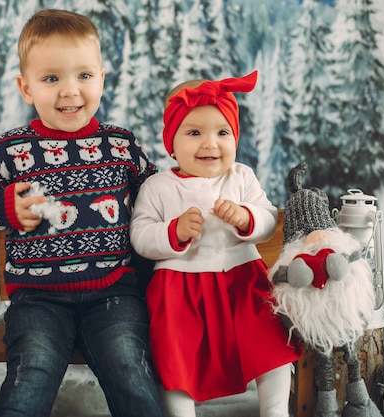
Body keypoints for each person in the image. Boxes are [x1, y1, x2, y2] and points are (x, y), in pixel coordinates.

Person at [0, 9, 165, 417]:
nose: (70, 91)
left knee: (131, 367)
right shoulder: (12, 150)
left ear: (102, 79)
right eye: (51, 78)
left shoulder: (120, 145)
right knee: (31, 374)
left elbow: (158, 193)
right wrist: (7, 206)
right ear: (26, 88)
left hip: (113, 291)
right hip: (39, 298)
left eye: (84, 76)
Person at [129, 71, 302, 417]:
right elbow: (140, 236)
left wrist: (245, 217)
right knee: (172, 353)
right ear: (172, 143)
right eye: (194, 133)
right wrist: (173, 232)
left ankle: (274, 410)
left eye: (222, 132)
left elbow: (268, 219)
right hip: (179, 291)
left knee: (271, 342)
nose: (210, 144)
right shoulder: (158, 187)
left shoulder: (241, 177)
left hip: (241, 281)